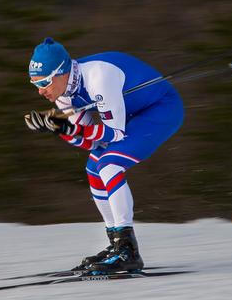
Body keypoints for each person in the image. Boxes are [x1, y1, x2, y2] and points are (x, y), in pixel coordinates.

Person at [24, 37, 184, 275]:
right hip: (135, 116)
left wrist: (67, 127)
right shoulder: (63, 94)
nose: (40, 91)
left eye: (44, 82)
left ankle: (127, 249)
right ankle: (116, 244)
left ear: (61, 73)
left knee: (110, 164)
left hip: (161, 109)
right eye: (34, 83)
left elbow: (115, 135)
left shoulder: (99, 77)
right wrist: (60, 129)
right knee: (94, 166)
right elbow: (90, 142)